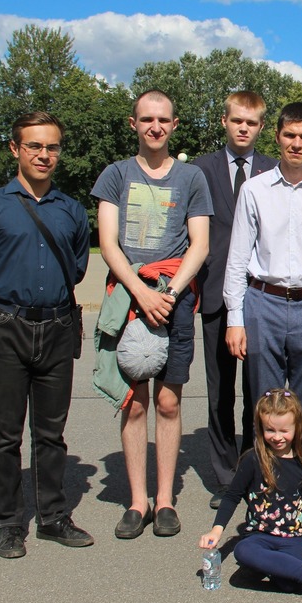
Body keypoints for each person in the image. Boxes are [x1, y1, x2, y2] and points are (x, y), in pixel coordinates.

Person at [0, 111, 93, 558]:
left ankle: (53, 517)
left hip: (55, 327)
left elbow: (77, 266)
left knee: (51, 434)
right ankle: (10, 523)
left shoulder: (71, 209)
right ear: (15, 149)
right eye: (34, 146)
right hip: (5, 328)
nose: (44, 155)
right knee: (5, 434)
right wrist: (3, 289)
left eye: (52, 147)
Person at [92, 89, 213, 539]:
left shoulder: (191, 178)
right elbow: (108, 243)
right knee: (135, 402)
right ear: (133, 124)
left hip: (175, 298)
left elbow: (199, 244)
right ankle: (136, 501)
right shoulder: (115, 175)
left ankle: (165, 500)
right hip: (129, 297)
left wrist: (169, 292)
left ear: (175, 124)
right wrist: (142, 293)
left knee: (167, 400)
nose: (155, 127)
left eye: (163, 120)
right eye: (147, 119)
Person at [223, 102, 302, 444]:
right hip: (263, 304)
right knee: (264, 406)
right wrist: (235, 319)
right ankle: (265, 487)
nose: (297, 143)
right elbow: (237, 259)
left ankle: (301, 489)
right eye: (290, 135)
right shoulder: (254, 191)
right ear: (277, 137)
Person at [194, 91, 278, 509]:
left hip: (262, 296)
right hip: (213, 293)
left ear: (262, 127)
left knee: (259, 390)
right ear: (224, 121)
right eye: (237, 121)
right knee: (219, 390)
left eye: (252, 122)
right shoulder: (200, 171)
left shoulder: (275, 171)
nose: (244, 128)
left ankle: (256, 467)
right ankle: (227, 474)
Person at [199, 388, 302, 603]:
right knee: (243, 550)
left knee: (290, 584)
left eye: (284, 431)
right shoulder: (252, 460)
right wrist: (216, 530)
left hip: (292, 538)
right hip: (260, 535)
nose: (277, 437)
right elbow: (232, 496)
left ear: (297, 428)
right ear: (260, 428)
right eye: (270, 430)